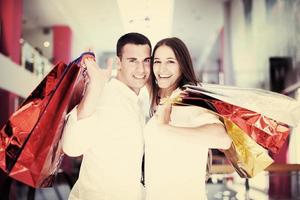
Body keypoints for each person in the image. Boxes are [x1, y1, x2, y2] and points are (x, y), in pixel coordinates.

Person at [62, 32, 151, 200]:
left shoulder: (136, 103)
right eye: (132, 61)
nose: (141, 69)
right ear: (119, 63)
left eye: (146, 61)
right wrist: (95, 88)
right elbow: (72, 147)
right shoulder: (103, 93)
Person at [144, 37, 231, 200]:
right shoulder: (162, 100)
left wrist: (166, 128)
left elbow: (223, 140)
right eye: (157, 61)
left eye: (170, 61)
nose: (162, 68)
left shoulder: (190, 100)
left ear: (182, 66)